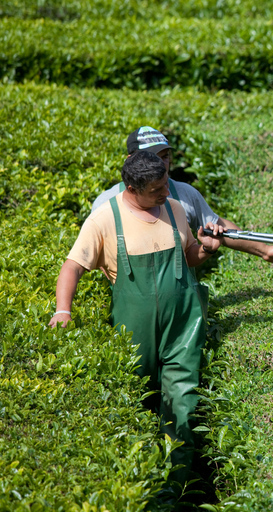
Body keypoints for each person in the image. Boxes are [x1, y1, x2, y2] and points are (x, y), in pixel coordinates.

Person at [49, 151, 224, 493]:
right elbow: (72, 267)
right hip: (134, 335)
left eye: (165, 185)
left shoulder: (173, 210)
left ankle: (177, 490)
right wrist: (62, 311)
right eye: (157, 189)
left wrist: (206, 249)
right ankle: (145, 490)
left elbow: (188, 257)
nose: (166, 194)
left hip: (181, 330)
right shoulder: (105, 219)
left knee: (182, 405)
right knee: (138, 407)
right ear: (132, 187)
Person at [92, 126, 273, 265]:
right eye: (152, 158)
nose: (161, 164)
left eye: (165, 157)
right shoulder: (106, 203)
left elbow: (217, 226)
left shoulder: (184, 194)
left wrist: (264, 250)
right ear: (131, 160)